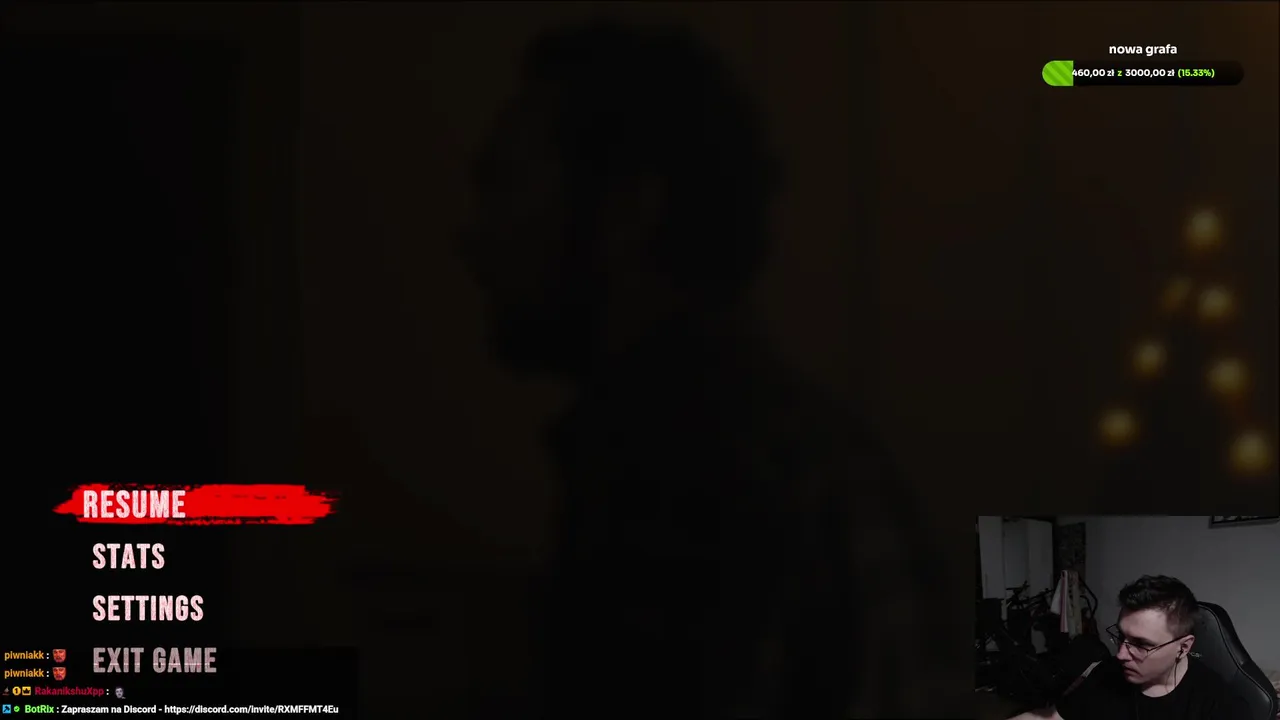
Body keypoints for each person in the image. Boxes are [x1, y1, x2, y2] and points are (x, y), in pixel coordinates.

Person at [458, 19, 953, 719]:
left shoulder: (679, 480)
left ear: (630, 211)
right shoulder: (804, 450)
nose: (473, 239)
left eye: (502, 185)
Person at [1010, 575, 1246, 720]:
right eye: (1121, 636)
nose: (1121, 654)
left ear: (1183, 647)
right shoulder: (1106, 673)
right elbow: (1054, 717)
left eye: (1142, 644)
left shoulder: (1218, 704)